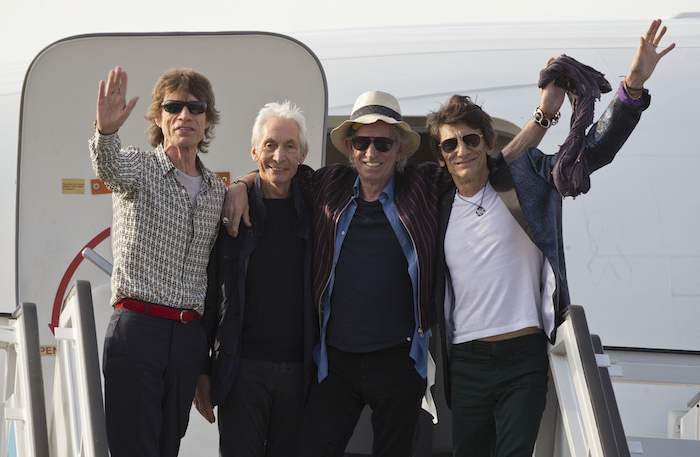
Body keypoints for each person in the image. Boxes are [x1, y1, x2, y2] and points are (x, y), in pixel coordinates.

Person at [224, 82, 565, 455]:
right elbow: (277, 171)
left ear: (400, 149)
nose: (371, 152)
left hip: (399, 360)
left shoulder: (423, 184)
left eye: (383, 143)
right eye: (362, 143)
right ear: (350, 149)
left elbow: (492, 163)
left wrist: (543, 117)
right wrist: (241, 184)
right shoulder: (327, 185)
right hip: (335, 363)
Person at [429, 19, 675, 457]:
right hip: (465, 360)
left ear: (487, 144)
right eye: (450, 145)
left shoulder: (524, 180)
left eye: (470, 140)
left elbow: (592, 151)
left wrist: (632, 89)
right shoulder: (438, 205)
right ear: (442, 155)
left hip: (522, 356)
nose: (461, 150)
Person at [89, 66, 226, 457]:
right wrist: (106, 132)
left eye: (195, 107)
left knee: (167, 449)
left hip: (187, 339)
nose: (185, 115)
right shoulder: (139, 167)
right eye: (174, 106)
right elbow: (109, 166)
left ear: (206, 120)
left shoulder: (218, 190)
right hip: (137, 331)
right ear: (160, 117)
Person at [193, 101, 317, 457]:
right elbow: (209, 295)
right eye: (270, 145)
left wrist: (241, 183)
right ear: (254, 151)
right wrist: (203, 369)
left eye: (290, 146)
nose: (279, 156)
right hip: (242, 370)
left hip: (300, 372)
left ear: (303, 153)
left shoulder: (318, 210)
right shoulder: (230, 212)